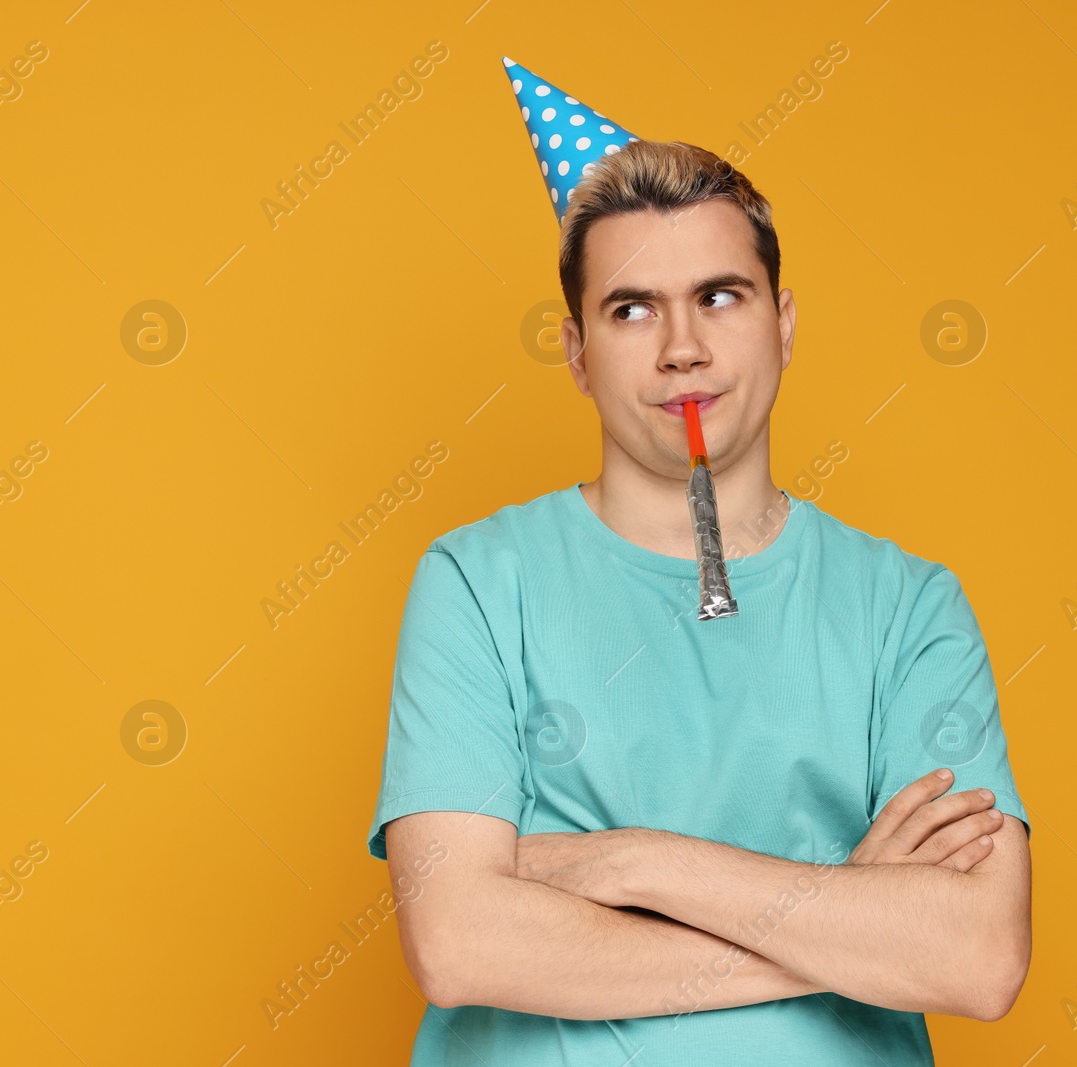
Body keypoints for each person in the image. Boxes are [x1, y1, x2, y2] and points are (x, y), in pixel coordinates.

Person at [364, 132, 1031, 1065]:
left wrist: (631, 862)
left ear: (784, 324)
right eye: (633, 309)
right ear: (578, 352)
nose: (683, 348)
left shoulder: (910, 607)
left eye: (720, 297)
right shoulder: (477, 582)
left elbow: (977, 954)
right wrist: (839, 915)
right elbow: (460, 942)